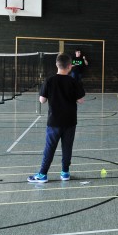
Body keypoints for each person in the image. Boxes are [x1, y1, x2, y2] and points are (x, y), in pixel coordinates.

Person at [28, 53, 85, 183]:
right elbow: (81, 100)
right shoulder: (73, 81)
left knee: (50, 147)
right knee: (67, 147)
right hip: (70, 121)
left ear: (56, 65)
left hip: (54, 121)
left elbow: (42, 100)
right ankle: (65, 173)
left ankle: (43, 174)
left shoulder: (49, 80)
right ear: (70, 66)